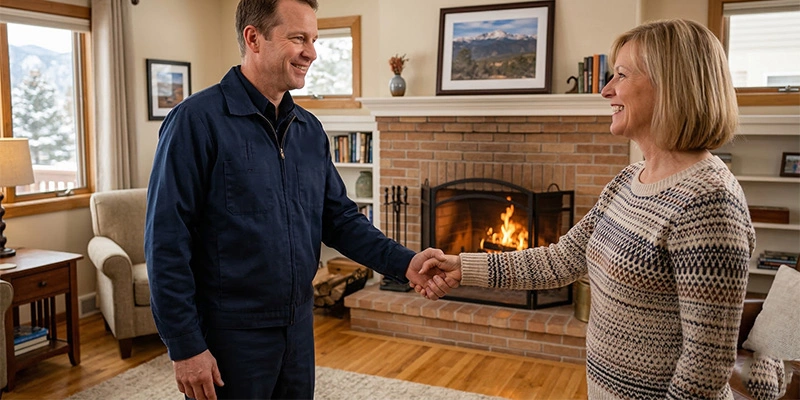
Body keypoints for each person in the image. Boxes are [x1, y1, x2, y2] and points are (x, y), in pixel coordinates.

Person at [417, 19, 759, 399]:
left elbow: (705, 368)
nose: (606, 90)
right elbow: (561, 260)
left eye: (622, 76)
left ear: (672, 86)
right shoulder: (630, 179)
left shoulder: (708, 201)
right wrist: (462, 267)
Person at [143, 0, 444, 399]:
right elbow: (166, 242)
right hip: (230, 334)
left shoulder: (309, 129)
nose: (312, 52)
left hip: (299, 329)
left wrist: (405, 262)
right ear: (254, 38)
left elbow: (339, 219)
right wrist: (185, 346)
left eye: (314, 39)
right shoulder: (195, 122)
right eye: (298, 38)